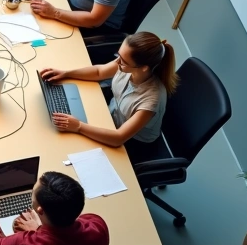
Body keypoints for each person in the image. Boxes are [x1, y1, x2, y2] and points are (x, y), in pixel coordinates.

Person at [40, 31, 177, 164]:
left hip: (134, 142)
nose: (118, 62)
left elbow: (119, 138)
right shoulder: (127, 66)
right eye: (119, 55)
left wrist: (79, 126)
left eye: (123, 61)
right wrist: (65, 73)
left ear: (143, 68)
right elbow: (100, 72)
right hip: (112, 118)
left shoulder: (151, 100)